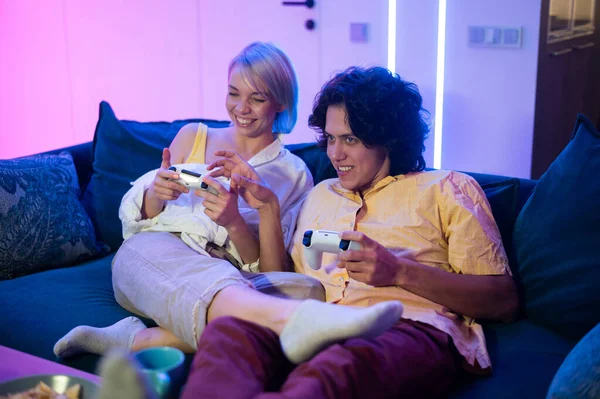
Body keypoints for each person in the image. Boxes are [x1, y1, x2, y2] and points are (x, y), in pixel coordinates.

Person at [173, 66, 521, 399]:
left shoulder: (448, 189)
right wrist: (268, 209)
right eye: (330, 138)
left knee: (337, 370)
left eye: (350, 139)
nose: (335, 154)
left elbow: (502, 300)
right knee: (229, 332)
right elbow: (282, 281)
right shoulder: (321, 194)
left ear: (389, 139)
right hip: (310, 322)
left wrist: (399, 271)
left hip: (404, 328)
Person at [53, 44, 403, 361]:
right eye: (233, 93)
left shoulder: (293, 173)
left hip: (232, 276)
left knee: (309, 289)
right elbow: (137, 223)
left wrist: (236, 221)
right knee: (147, 253)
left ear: (280, 103)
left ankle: (135, 340)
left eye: (256, 98)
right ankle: (287, 322)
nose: (241, 108)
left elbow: (272, 270)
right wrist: (155, 194)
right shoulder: (193, 136)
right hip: (154, 256)